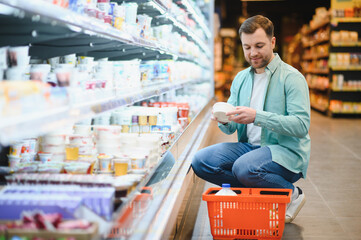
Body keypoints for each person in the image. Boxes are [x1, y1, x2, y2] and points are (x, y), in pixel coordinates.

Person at [191, 15, 310, 223]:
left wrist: (257, 117)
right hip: (249, 149)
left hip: (284, 152)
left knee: (244, 167)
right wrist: (224, 119)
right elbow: (230, 130)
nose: (252, 53)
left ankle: (292, 193)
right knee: (201, 161)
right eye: (247, 47)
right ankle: (259, 196)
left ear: (273, 42)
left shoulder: (292, 78)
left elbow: (301, 125)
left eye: (259, 45)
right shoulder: (241, 79)